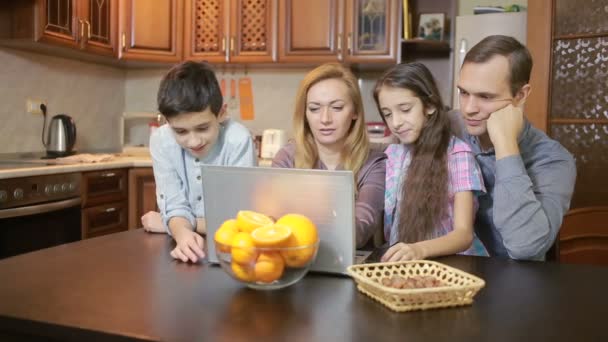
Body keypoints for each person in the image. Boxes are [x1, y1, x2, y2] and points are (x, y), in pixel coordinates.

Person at [455, 35, 576, 260]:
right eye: (463, 93)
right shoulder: (450, 127)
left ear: (520, 95)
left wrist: (505, 144)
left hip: (513, 283)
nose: (469, 109)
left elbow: (526, 248)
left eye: (485, 96)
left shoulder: (554, 160)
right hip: (448, 273)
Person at [144, 61, 257, 263]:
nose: (194, 141)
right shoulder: (161, 140)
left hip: (233, 251)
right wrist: (181, 233)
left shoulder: (238, 140)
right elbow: (174, 203)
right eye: (180, 131)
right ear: (167, 122)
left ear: (221, 113)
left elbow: (240, 219)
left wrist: (171, 224)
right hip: (186, 248)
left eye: (203, 128)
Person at [373, 62, 488, 262]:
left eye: (405, 109)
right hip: (407, 265)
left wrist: (417, 250)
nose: (396, 122)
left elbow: (464, 235)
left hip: (455, 267)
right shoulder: (393, 155)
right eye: (388, 114)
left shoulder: (457, 154)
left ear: (430, 105)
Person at [272, 63, 386, 248]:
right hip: (294, 262)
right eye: (315, 108)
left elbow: (361, 228)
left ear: (355, 111)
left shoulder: (374, 163)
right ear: (305, 114)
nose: (325, 119)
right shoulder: (287, 157)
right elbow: (271, 221)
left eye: (337, 107)